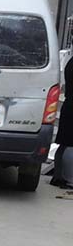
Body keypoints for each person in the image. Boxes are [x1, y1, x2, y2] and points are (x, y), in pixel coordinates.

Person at [49, 55, 73, 188]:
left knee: (64, 143)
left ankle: (58, 176)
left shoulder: (70, 62)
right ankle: (70, 180)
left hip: (68, 106)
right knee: (70, 144)